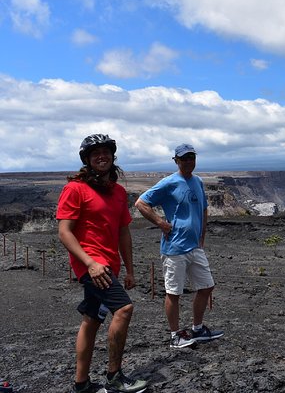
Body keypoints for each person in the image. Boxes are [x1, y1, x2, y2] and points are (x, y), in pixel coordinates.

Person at [57, 134, 148, 393]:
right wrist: (89, 264)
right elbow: (64, 232)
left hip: (110, 265)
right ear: (87, 159)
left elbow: (123, 232)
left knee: (91, 320)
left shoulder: (118, 192)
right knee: (124, 309)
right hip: (92, 266)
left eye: (105, 151)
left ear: (112, 155)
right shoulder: (75, 188)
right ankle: (114, 377)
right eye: (95, 153)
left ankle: (82, 384)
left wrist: (129, 269)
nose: (101, 156)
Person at [135, 143, 223, 349]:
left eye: (191, 157)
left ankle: (198, 329)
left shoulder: (198, 182)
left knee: (206, 286)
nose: (188, 161)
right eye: (184, 158)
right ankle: (175, 335)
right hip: (174, 248)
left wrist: (202, 236)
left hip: (194, 247)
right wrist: (160, 223)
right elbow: (140, 203)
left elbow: (203, 209)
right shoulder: (169, 183)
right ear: (176, 161)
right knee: (174, 292)